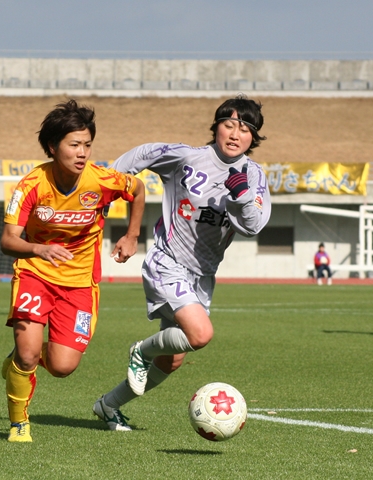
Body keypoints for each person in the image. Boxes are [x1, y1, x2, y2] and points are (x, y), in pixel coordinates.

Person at [91, 94, 271, 431]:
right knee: (200, 334)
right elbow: (143, 154)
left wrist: (241, 196)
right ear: (216, 127)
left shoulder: (254, 176)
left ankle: (109, 405)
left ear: (253, 137)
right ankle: (140, 351)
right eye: (229, 124)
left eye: (245, 129)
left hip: (203, 276)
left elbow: (253, 226)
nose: (235, 134)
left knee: (172, 359)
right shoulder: (188, 158)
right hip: (167, 260)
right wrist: (107, 188)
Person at [0, 99, 145, 442]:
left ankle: (24, 357)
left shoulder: (101, 179)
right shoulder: (32, 185)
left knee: (63, 366)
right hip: (35, 273)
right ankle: (19, 423)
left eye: (87, 145)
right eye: (74, 145)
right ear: (53, 147)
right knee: (28, 353)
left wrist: (132, 234)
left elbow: (137, 189)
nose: (82, 152)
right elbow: (8, 240)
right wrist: (39, 248)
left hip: (80, 282)